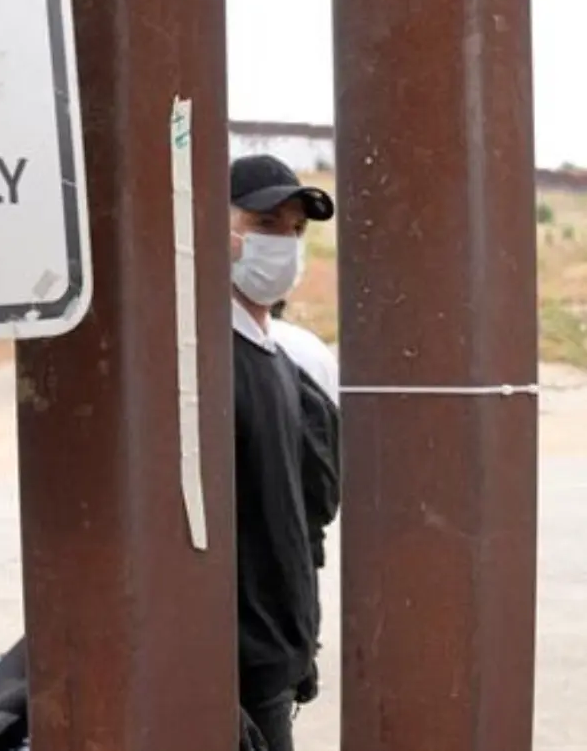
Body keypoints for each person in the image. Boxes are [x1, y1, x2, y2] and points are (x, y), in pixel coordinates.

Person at [229, 154, 341, 751]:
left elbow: (304, 523)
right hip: (237, 675)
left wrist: (302, 641)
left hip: (276, 663)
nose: (284, 244)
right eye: (264, 224)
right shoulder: (207, 364)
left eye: (295, 231)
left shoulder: (285, 361)